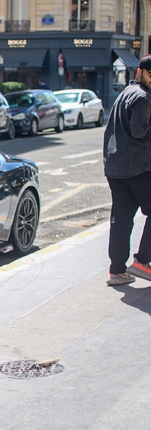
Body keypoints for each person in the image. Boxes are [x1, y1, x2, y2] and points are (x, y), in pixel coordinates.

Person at [103, 54, 151, 285]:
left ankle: (117, 271)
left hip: (116, 167)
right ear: (139, 72)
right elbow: (139, 131)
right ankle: (143, 261)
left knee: (121, 219)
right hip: (139, 167)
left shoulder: (124, 94)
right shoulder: (142, 97)